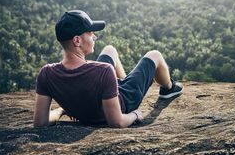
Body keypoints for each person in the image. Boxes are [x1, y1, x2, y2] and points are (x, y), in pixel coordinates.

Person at [33, 10, 183, 128]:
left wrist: (60, 110)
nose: (94, 37)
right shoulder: (103, 71)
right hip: (124, 101)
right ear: (77, 40)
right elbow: (116, 122)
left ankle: (121, 83)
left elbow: (40, 122)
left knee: (110, 49)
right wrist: (135, 115)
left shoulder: (47, 73)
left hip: (95, 100)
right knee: (154, 55)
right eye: (90, 33)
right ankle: (169, 89)